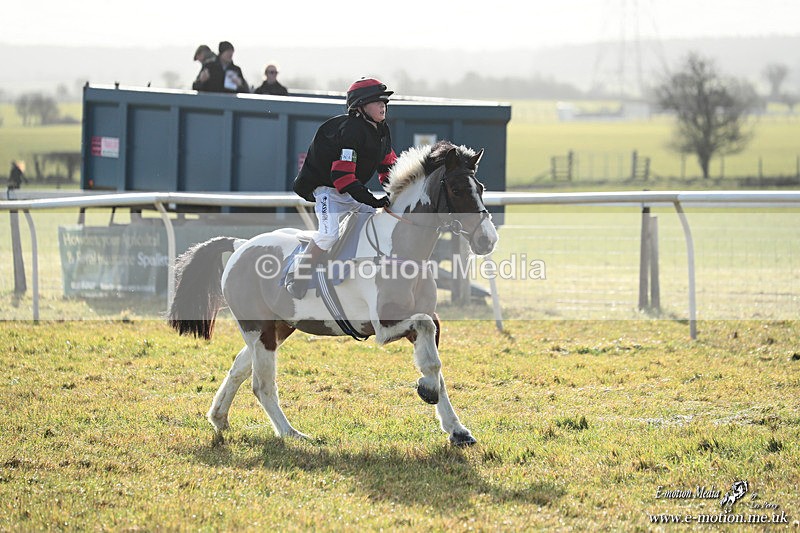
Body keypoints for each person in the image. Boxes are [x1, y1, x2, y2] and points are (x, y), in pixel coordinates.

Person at [286, 77, 398, 299]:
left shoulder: (382, 131)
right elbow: (342, 177)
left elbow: (389, 167)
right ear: (360, 106)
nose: (383, 105)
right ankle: (297, 277)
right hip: (327, 191)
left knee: (375, 221)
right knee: (328, 235)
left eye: (384, 101)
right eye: (377, 101)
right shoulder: (350, 131)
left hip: (351, 190)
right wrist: (371, 199)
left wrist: (394, 194)